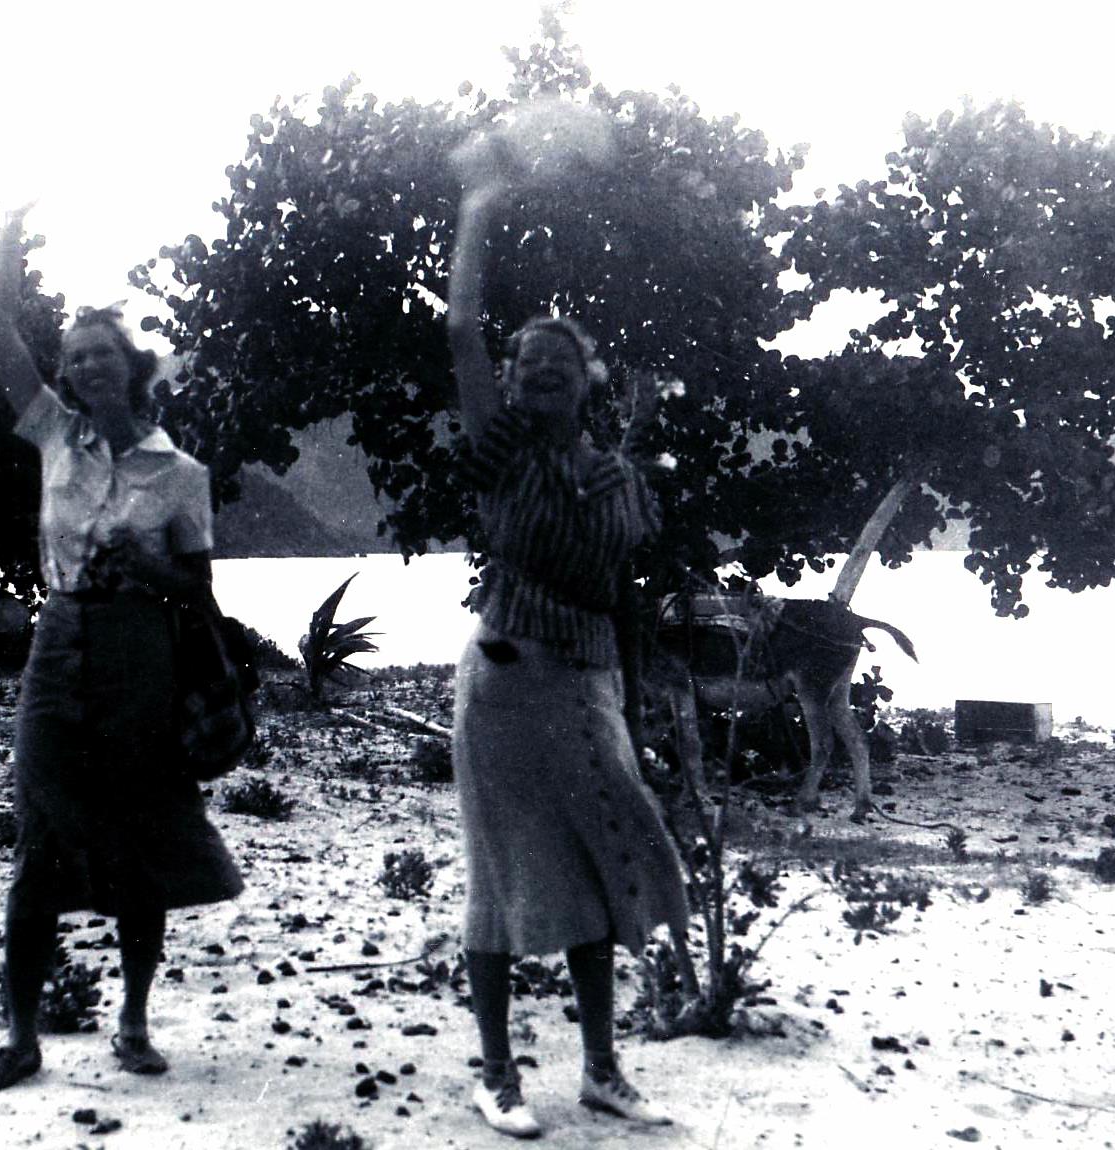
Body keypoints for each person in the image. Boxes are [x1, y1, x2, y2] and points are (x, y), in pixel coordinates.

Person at [0, 205, 244, 1092]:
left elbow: (199, 593)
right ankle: (18, 1035)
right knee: (38, 832)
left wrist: (153, 567)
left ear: (133, 370)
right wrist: (7, 231)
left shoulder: (182, 474)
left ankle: (131, 1020)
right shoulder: (54, 433)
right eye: (75, 354)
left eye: (101, 353)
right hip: (60, 641)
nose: (85, 364)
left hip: (141, 657)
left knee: (145, 835)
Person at [446, 173, 692, 1137]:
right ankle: (499, 1074)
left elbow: (624, 590)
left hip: (589, 683)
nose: (538, 372)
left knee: (600, 865)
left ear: (583, 379)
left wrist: (630, 692)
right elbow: (462, 329)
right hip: (504, 682)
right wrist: (475, 207)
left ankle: (600, 1070)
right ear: (507, 382)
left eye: (558, 364)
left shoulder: (622, 477)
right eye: (523, 364)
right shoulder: (502, 450)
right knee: (501, 877)